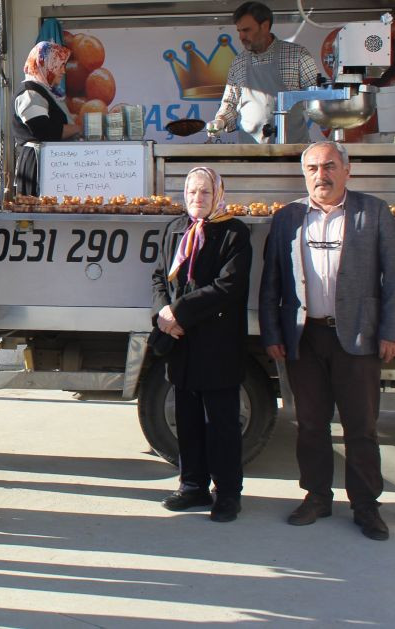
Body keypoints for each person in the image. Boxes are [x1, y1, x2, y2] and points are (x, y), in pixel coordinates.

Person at [259, 140, 395, 541]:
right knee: (310, 424)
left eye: (328, 166)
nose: (320, 175)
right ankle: (317, 497)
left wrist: (392, 332)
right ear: (303, 174)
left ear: (347, 170)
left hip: (358, 337)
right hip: (304, 339)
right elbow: (272, 279)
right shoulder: (288, 217)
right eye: (312, 168)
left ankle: (366, 505)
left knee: (362, 427)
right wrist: (273, 332)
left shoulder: (372, 212)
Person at [151, 167, 252, 523]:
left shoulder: (234, 233)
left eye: (205, 193)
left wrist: (178, 313)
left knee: (221, 424)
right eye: (192, 192)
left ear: (218, 194)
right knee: (187, 420)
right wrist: (162, 313)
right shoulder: (174, 229)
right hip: (181, 344)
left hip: (217, 344)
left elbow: (229, 287)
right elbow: (159, 277)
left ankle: (227, 493)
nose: (197, 198)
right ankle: (192, 485)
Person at [210, 1, 322, 143]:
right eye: (239, 31)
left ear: (264, 26)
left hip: (292, 148)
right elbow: (230, 103)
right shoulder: (238, 62)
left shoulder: (297, 54)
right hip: (250, 151)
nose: (241, 37)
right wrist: (220, 120)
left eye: (246, 30)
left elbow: (317, 97)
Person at [11, 41, 82, 195]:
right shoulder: (30, 92)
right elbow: (43, 131)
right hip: (37, 167)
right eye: (59, 65)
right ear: (46, 65)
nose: (64, 71)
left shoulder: (45, 91)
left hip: (48, 164)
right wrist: (78, 128)